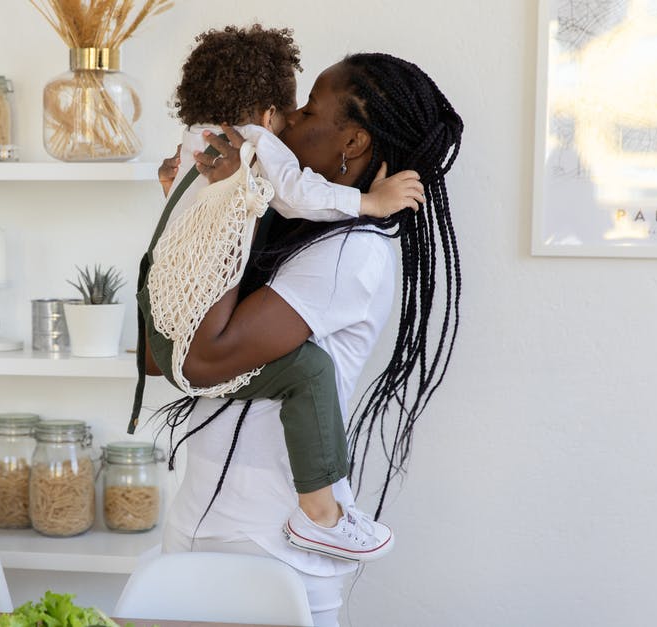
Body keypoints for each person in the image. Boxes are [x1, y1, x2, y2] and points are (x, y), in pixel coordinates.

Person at [151, 52, 464, 626]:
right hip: (198, 528)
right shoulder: (275, 225)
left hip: (273, 554)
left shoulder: (350, 252)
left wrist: (225, 207)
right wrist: (193, 209)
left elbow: (201, 361)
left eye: (309, 107)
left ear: (354, 143)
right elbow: (156, 353)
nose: (287, 119)